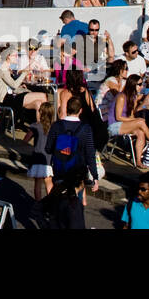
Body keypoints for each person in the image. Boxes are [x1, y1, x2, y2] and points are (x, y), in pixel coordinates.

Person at [44, 96, 100, 229]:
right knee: (76, 207)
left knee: (59, 207)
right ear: (80, 111)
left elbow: (48, 148)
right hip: (77, 174)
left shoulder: (57, 126)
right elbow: (90, 154)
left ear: (66, 109)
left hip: (60, 172)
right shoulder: (85, 129)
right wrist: (95, 177)